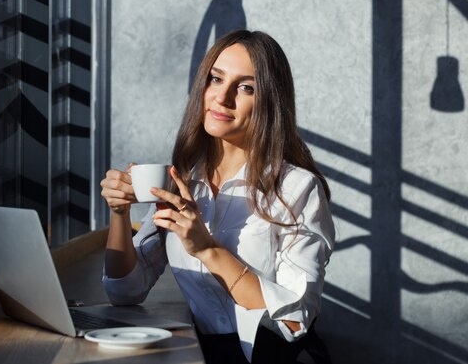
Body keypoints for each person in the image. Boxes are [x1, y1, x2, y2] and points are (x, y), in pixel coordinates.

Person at [100, 30, 335, 364]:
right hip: (204, 354)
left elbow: (293, 320)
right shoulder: (185, 182)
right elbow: (124, 291)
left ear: (270, 101)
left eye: (245, 87)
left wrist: (208, 249)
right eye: (215, 79)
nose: (221, 98)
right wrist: (119, 213)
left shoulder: (297, 188)